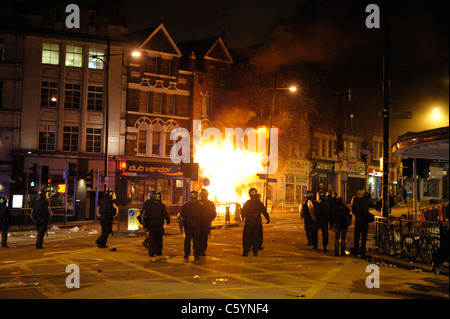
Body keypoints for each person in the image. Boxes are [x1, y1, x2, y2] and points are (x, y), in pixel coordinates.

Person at [240, 188, 270, 257]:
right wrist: (267, 218)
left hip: (249, 222)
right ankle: (255, 251)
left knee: (247, 237)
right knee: (255, 237)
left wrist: (243, 217)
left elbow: (243, 211)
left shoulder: (247, 203)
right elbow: (264, 211)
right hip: (256, 222)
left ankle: (246, 251)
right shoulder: (259, 203)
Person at [142, 191, 170, 257]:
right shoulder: (161, 206)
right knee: (159, 238)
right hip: (159, 224)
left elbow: (145, 215)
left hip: (152, 223)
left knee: (152, 239)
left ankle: (152, 252)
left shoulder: (149, 205)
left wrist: (146, 225)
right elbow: (165, 214)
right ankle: (158, 251)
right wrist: (167, 220)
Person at [180, 190, 204, 261]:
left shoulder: (186, 205)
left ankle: (187, 254)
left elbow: (182, 215)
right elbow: (203, 216)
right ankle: (196, 254)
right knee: (196, 240)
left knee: (188, 240)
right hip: (196, 225)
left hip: (188, 225)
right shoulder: (200, 206)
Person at [351, 190, 372, 257]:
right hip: (365, 221)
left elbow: (353, 212)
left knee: (356, 237)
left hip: (358, 221)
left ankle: (356, 252)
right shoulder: (366, 201)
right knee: (364, 237)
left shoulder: (355, 201)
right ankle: (362, 252)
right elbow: (371, 202)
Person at [199, 189, 217, 256]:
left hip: (200, 224)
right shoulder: (210, 203)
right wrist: (210, 219)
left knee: (198, 238)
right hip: (205, 223)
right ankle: (202, 251)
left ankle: (198, 251)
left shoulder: (198, 203)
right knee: (203, 238)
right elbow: (214, 213)